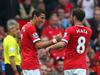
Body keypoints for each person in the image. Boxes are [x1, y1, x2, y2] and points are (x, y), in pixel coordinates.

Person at [46, 8, 92, 75]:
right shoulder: (89, 31)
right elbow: (87, 46)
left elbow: (63, 43)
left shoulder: (70, 30)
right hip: (81, 66)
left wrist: (50, 47)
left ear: (74, 17)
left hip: (70, 65)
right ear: (83, 18)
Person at [21, 10, 61, 75]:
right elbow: (39, 45)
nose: (43, 21)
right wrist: (54, 40)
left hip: (28, 61)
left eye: (44, 18)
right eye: (41, 18)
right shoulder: (30, 28)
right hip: (30, 63)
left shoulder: (25, 26)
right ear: (35, 17)